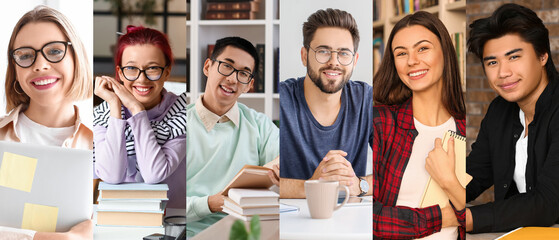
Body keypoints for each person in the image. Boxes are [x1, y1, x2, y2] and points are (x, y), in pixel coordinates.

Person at [0, 5, 93, 240]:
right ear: (15, 69)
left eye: (53, 51)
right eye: (25, 55)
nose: (40, 65)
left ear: (76, 57)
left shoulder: (102, 143)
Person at [466, 3, 559, 233]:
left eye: (514, 57)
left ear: (542, 55)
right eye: (492, 62)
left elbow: (548, 202)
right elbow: (474, 176)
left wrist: (465, 218)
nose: (502, 73)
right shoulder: (500, 111)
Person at [373, 11, 466, 239]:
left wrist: (449, 182)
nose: (412, 60)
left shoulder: (467, 126)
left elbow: (488, 212)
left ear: (445, 51)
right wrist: (444, 217)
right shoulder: (380, 122)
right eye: (401, 53)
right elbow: (367, 215)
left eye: (422, 48)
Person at [186, 36, 279, 237]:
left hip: (249, 232)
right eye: (227, 66)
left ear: (249, 85)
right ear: (207, 67)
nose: (233, 79)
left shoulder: (260, 124)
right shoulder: (179, 124)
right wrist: (209, 204)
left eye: (243, 74)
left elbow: (286, 157)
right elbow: (166, 202)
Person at [279, 8, 372, 199]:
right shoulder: (282, 99)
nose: (334, 62)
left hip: (351, 220)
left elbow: (398, 170)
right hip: (293, 221)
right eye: (323, 51)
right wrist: (312, 186)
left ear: (354, 60)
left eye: (344, 53)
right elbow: (259, 181)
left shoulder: (366, 99)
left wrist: (359, 185)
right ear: (304, 55)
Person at [93, 25, 186, 209]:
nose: (141, 79)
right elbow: (111, 175)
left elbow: (154, 174)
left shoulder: (183, 112)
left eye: (152, 69)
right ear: (120, 73)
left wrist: (136, 110)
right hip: (121, 216)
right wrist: (115, 108)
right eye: (131, 68)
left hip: (173, 221)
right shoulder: (103, 115)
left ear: (167, 72)